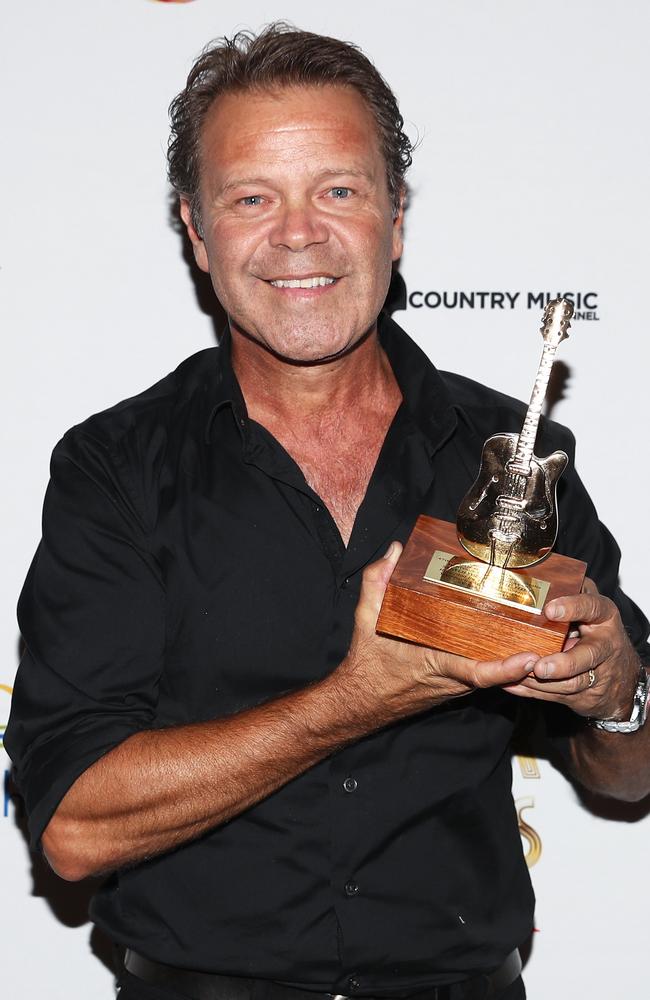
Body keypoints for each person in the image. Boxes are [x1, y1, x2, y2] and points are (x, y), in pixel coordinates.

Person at [6, 23, 650, 1000]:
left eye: (338, 191)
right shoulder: (118, 467)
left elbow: (627, 775)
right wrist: (355, 697)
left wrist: (612, 696)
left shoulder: (513, 454)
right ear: (195, 228)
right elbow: (72, 826)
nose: (298, 234)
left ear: (395, 219)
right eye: (251, 197)